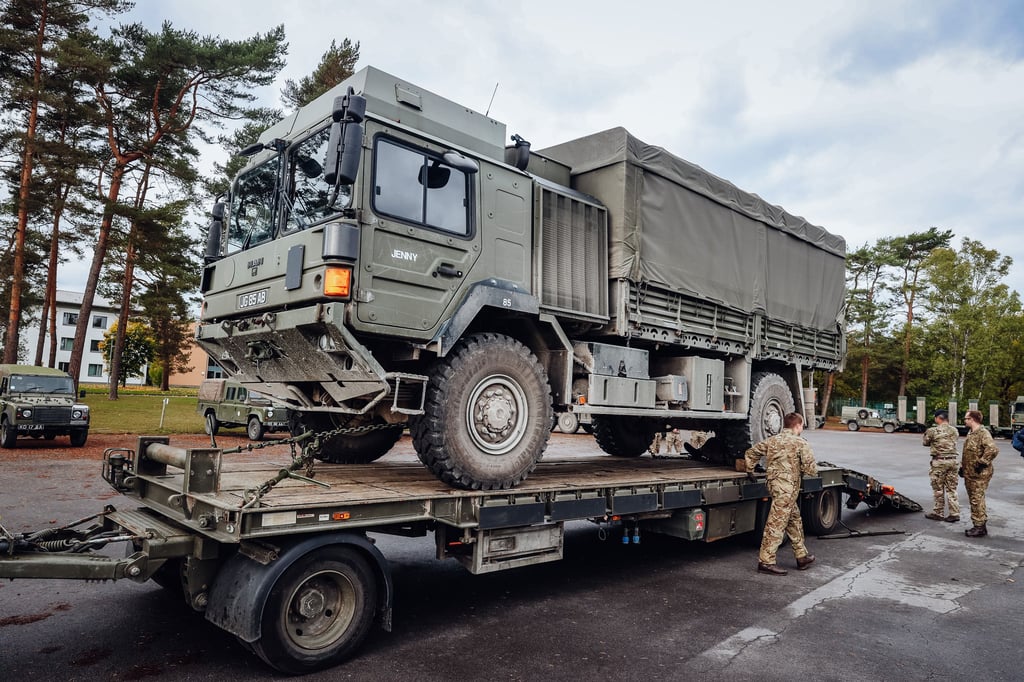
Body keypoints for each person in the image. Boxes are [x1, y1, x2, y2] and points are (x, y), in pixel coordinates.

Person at [744, 412, 818, 576]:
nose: (802, 428)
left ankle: (801, 556)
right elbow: (811, 469)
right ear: (798, 426)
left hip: (775, 487)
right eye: (802, 426)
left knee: (794, 519)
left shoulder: (773, 440)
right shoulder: (800, 443)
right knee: (776, 524)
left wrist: (750, 469)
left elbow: (751, 452)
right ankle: (766, 562)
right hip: (787, 490)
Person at [960, 410, 999, 537]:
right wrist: (962, 467)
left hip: (980, 473)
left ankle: (979, 527)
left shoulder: (983, 433)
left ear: (972, 419)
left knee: (977, 498)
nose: (965, 421)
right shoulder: (971, 433)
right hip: (970, 473)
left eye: (966, 418)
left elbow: (992, 449)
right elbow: (968, 453)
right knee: (974, 498)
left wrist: (982, 463)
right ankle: (979, 524)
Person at [921, 409, 960, 522]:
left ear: (938, 418)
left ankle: (938, 512)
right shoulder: (954, 430)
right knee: (952, 488)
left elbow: (925, 443)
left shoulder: (933, 431)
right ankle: (954, 513)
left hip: (939, 462)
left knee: (938, 488)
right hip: (953, 461)